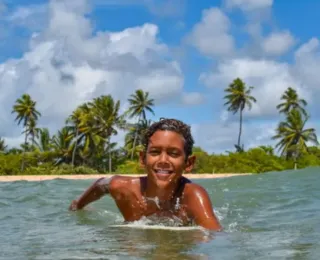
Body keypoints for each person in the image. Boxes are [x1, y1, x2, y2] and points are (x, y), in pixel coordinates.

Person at [69, 118, 222, 231]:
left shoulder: (192, 196)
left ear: (188, 164)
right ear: (142, 158)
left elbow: (215, 235)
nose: (163, 160)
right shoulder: (123, 188)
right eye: (155, 152)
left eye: (173, 154)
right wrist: (78, 205)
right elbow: (101, 185)